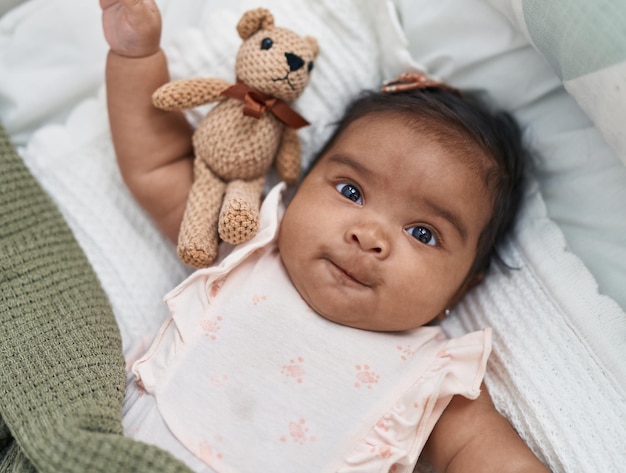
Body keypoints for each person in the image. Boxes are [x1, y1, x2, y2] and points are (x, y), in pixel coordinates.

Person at [101, 0, 550, 472]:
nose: (369, 234)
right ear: (296, 192)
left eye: (423, 233)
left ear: (465, 285)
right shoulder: (248, 247)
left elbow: (486, 455)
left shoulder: (429, 375)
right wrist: (136, 57)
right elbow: (161, 164)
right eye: (351, 191)